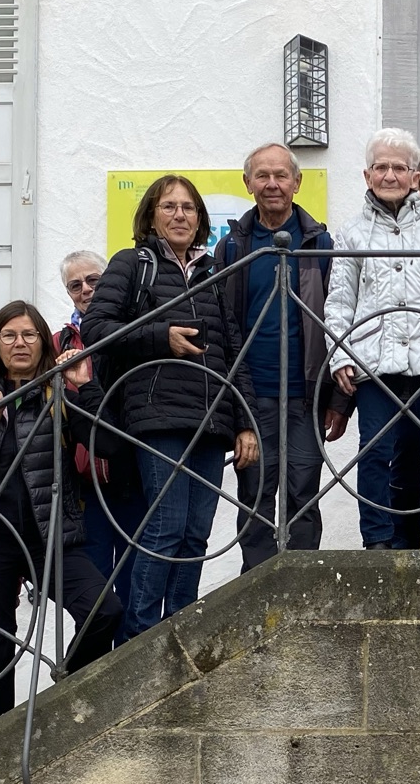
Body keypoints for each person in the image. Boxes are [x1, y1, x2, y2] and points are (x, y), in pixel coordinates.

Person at [82, 179, 258, 634]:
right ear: (152, 214)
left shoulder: (212, 272)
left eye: (188, 208)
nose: (180, 215)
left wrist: (245, 423)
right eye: (169, 207)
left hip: (212, 419)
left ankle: (178, 630)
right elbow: (96, 328)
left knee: (195, 534)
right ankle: (140, 635)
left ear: (200, 218)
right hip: (157, 415)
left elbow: (232, 351)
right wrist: (162, 337)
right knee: (165, 528)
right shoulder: (131, 263)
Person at [0, 302, 124, 724]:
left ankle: (67, 690)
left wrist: (83, 387)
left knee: (104, 611)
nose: (20, 344)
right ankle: (1, 742)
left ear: (43, 342)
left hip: (50, 535)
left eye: (29, 335)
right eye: (9, 335)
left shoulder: (57, 394)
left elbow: (110, 447)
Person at [324, 128, 420, 549]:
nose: (389, 175)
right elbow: (339, 300)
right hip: (374, 359)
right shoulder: (352, 232)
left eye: (399, 167)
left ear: (414, 176)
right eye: (381, 167)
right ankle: (377, 538)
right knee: (374, 452)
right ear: (366, 174)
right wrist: (339, 355)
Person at [213, 143, 341, 568]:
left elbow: (339, 320)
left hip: (306, 395)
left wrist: (339, 400)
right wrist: (231, 405)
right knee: (254, 493)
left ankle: (301, 585)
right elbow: (222, 327)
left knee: (304, 491)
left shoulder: (319, 242)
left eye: (281, 175)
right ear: (247, 183)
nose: (272, 184)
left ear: (297, 183)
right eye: (262, 176)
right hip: (250, 396)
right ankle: (257, 585)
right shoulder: (232, 246)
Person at [55, 248, 145, 591]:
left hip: (130, 472)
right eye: (75, 286)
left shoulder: (127, 330)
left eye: (94, 280)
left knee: (133, 576)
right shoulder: (58, 342)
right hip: (84, 484)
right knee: (95, 583)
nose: (86, 290)